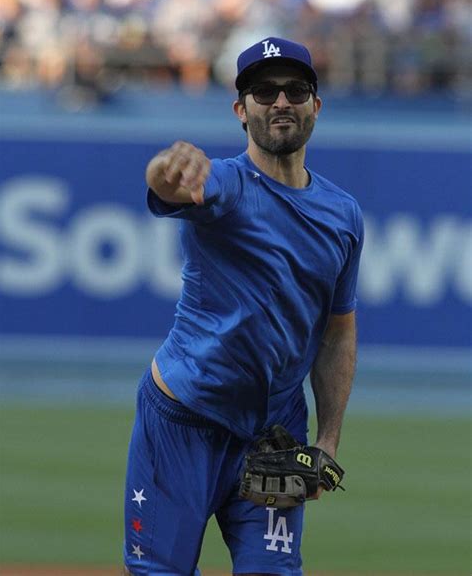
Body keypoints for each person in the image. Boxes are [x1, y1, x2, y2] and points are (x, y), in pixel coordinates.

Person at [123, 36, 364, 575]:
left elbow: (338, 332)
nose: (281, 102)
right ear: (241, 110)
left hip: (273, 433)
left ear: (315, 106)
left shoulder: (343, 216)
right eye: (263, 91)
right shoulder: (225, 185)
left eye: (295, 90)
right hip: (184, 417)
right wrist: (167, 166)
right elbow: (169, 188)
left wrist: (327, 441)